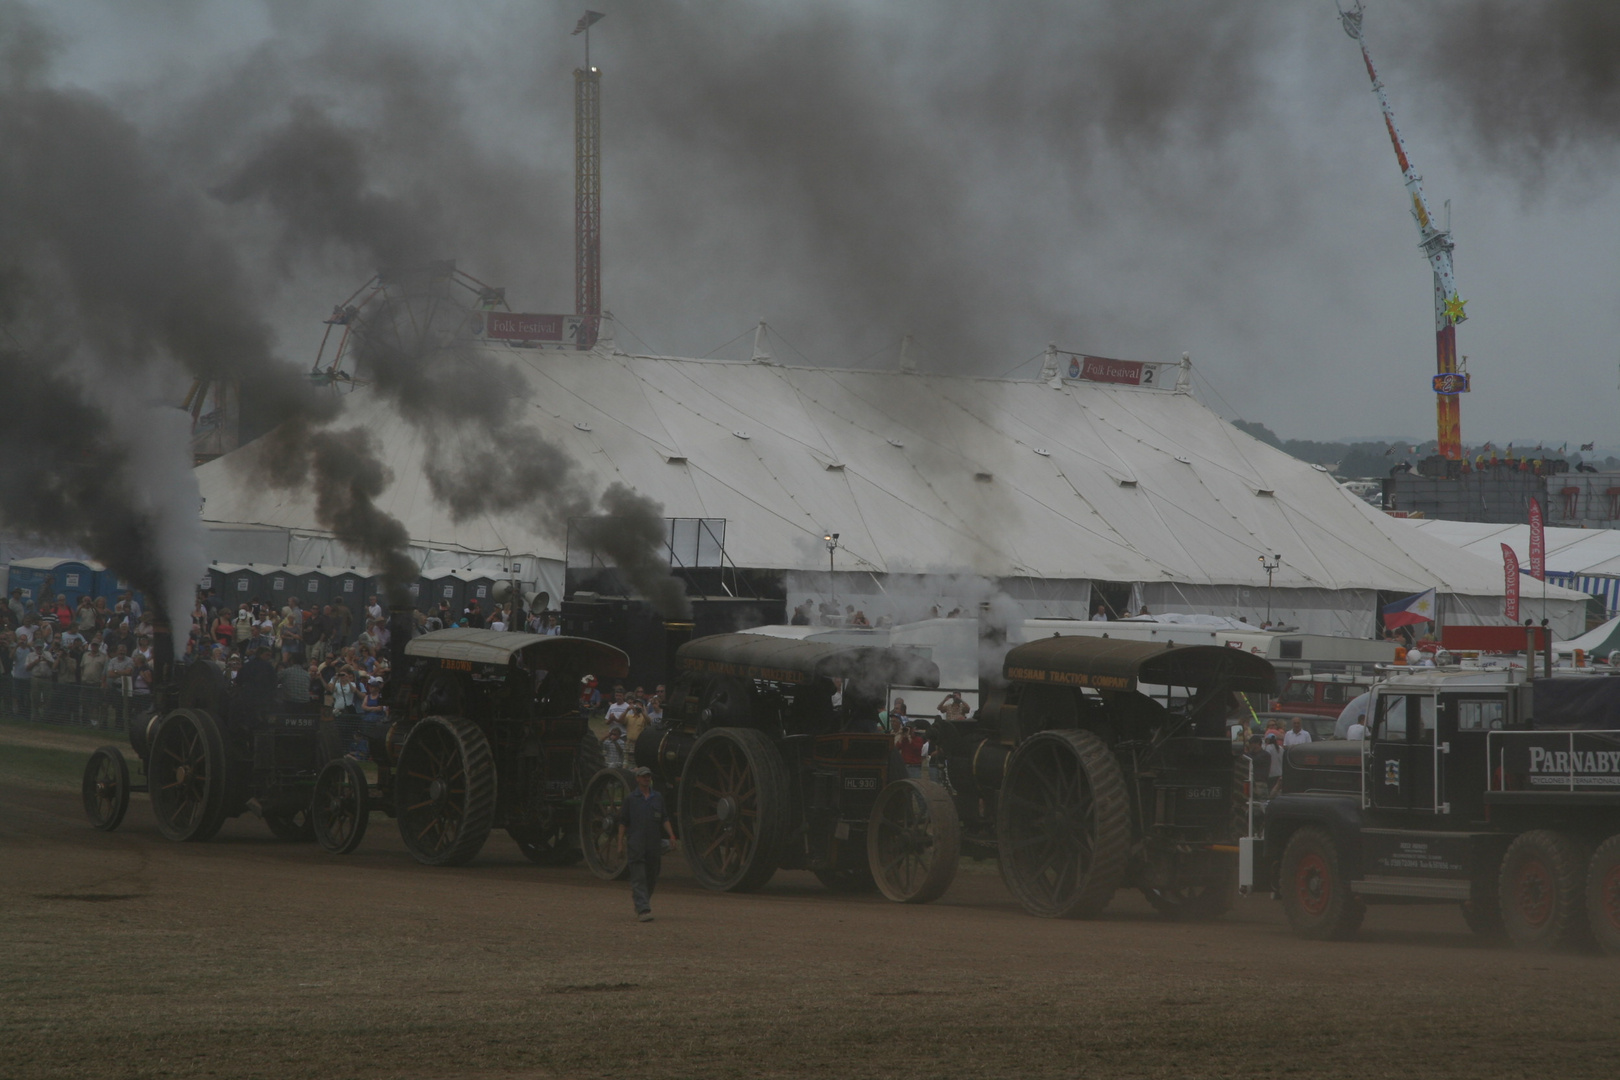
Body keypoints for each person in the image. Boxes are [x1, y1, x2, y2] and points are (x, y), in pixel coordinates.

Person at [617, 766, 677, 922]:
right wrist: (619, 844)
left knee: (651, 877)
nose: (646, 779)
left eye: (648, 776)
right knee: (638, 877)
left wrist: (671, 835)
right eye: (643, 776)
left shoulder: (657, 797)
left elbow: (664, 818)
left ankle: (641, 902)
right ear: (637, 779)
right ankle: (643, 909)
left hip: (653, 845)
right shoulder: (631, 799)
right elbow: (623, 823)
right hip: (636, 844)